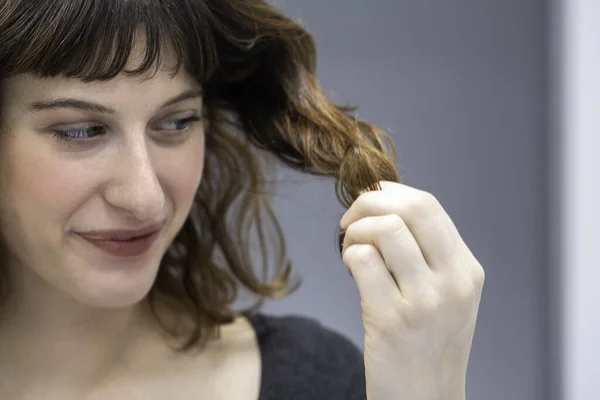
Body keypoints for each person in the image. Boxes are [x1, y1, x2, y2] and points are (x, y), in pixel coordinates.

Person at [0, 0, 485, 399]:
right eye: (81, 130)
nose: (145, 198)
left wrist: (429, 389)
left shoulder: (319, 384)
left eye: (176, 122)